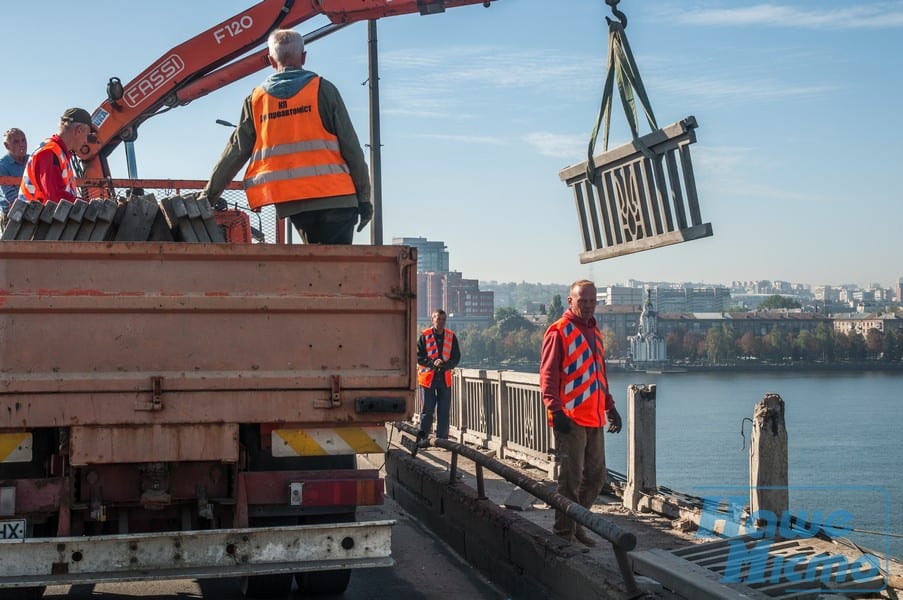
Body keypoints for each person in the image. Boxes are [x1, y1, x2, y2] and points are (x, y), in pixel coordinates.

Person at [202, 28, 372, 244]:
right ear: (303, 57)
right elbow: (352, 149)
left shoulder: (256, 100)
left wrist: (208, 197)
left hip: (297, 204)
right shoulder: (323, 90)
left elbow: (235, 152)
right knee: (336, 272)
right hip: (339, 198)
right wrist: (364, 198)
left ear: (271, 61)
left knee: (315, 269)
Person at [539, 279, 622, 547]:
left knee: (596, 478)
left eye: (592, 301)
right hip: (571, 418)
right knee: (570, 481)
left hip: (594, 416)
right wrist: (555, 408)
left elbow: (599, 375)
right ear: (570, 301)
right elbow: (548, 374)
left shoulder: (594, 332)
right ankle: (563, 533)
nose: (587, 306)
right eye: (582, 301)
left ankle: (576, 524)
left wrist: (611, 407)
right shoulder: (559, 331)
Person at [18, 109, 94, 204]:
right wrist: (90, 205)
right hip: (35, 217)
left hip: (39, 216)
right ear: (78, 131)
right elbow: (55, 198)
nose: (86, 142)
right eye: (86, 135)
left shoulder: (57, 152)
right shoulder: (49, 152)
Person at [416, 309, 461, 445]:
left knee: (443, 410)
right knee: (427, 410)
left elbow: (456, 357)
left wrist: (446, 365)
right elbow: (419, 357)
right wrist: (433, 363)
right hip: (428, 378)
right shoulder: (425, 336)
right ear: (433, 320)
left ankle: (442, 440)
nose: (440, 322)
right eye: (438, 319)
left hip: (444, 378)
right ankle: (423, 439)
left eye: (443, 320)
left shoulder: (451, 336)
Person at [0, 128, 28, 224]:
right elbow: (10, 195)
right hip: (11, 213)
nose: (22, 144)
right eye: (16, 142)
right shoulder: (2, 166)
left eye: (23, 140)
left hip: (31, 208)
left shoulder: (32, 160)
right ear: (7, 146)